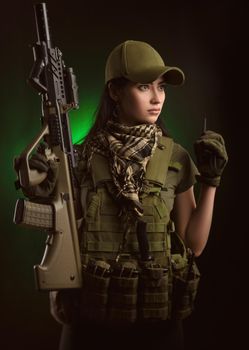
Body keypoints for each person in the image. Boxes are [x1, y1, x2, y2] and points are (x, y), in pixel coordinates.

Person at [21, 40, 228, 349]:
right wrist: (38, 173)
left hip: (158, 327)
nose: (157, 98)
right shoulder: (80, 156)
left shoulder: (175, 157)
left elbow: (194, 245)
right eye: (144, 87)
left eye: (161, 87)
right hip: (90, 324)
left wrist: (211, 182)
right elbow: (56, 214)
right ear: (115, 92)